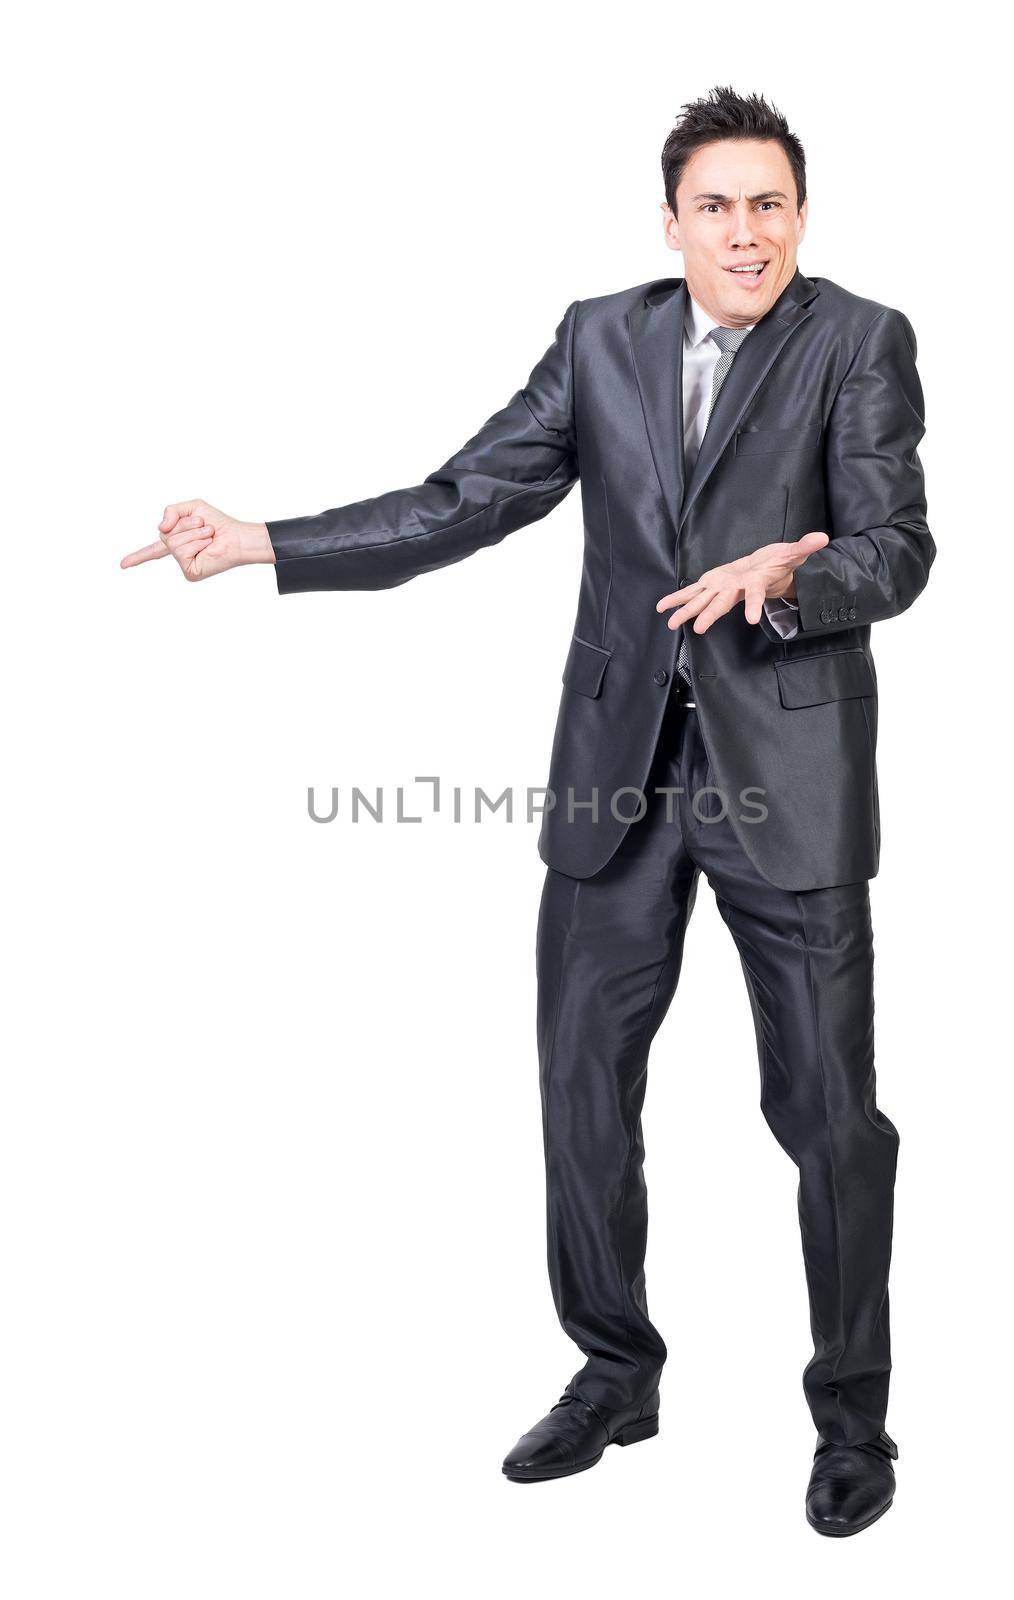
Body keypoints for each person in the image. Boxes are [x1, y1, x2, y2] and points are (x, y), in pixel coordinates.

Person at [121, 86, 934, 1536]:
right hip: (616, 781)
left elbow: (897, 546)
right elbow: (464, 499)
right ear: (670, 221)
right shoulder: (600, 338)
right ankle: (616, 1370)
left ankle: (853, 1423)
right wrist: (262, 544)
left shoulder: (859, 340)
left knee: (826, 1118)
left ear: (801, 217)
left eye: (772, 206)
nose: (747, 233)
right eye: (717, 206)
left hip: (790, 781)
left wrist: (792, 581)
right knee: (580, 1094)